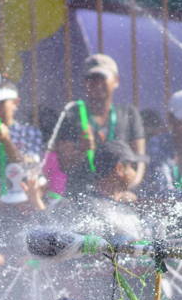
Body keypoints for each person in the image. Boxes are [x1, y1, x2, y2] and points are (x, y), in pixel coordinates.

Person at [51, 54, 146, 195]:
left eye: (102, 78)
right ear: (85, 83)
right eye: (92, 79)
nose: (97, 84)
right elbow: (64, 165)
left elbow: (139, 162)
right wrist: (81, 150)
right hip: (81, 196)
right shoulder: (72, 114)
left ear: (116, 80)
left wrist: (127, 188)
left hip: (121, 195)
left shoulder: (129, 113)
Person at [0, 69, 44, 188]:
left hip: (25, 197)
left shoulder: (29, 132)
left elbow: (30, 169)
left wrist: (6, 141)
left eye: (0, 103)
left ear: (15, 102)